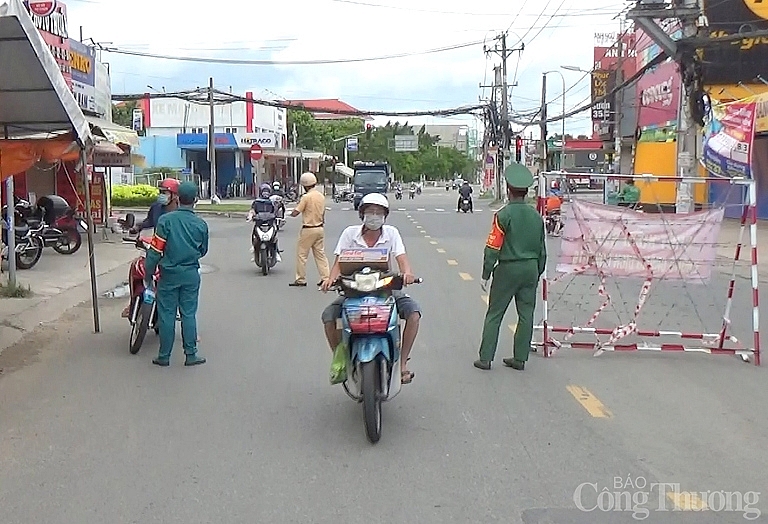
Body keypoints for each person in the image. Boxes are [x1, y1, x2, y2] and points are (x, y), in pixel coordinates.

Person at [320, 193, 420, 384]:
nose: (374, 216)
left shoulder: (391, 233)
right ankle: (341, 359)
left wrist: (407, 273)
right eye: (370, 211)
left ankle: (403, 363)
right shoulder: (350, 234)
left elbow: (402, 259)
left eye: (378, 212)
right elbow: (338, 264)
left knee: (414, 314)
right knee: (328, 317)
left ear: (385, 215)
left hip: (384, 289)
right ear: (362, 214)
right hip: (353, 290)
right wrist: (330, 280)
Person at [474, 163, 546, 371]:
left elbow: (492, 248)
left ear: (508, 189)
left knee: (495, 313)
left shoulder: (503, 216)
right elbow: (542, 251)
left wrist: (486, 274)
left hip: (507, 270)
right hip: (530, 269)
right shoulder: (537, 217)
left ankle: (486, 358)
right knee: (526, 314)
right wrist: (536, 271)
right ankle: (520, 358)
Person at [143, 181, 209, 367]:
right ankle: (191, 354)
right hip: (190, 274)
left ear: (178, 198)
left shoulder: (166, 221)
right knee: (188, 314)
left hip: (169, 274)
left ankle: (164, 356)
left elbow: (155, 251)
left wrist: (149, 273)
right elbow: (203, 250)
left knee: (167, 315)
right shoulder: (200, 224)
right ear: (195, 200)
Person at [122, 178, 181, 318]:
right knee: (137, 268)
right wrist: (137, 227)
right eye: (160, 192)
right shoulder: (156, 208)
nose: (162, 195)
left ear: (174, 195)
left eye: (165, 192)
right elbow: (150, 221)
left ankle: (180, 313)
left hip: (173, 254)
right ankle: (133, 301)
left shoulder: (180, 213)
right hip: (155, 249)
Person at [288, 172, 330, 287]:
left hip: (308, 229)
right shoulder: (321, 196)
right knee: (320, 254)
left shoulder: (306, 197)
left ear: (304, 185)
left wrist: (291, 213)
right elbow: (323, 212)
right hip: (319, 228)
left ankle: (301, 279)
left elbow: (297, 211)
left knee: (302, 255)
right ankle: (325, 277)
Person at [248, 184, 282, 263]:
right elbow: (252, 210)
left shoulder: (271, 202)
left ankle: (277, 252)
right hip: (259, 223)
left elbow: (276, 211)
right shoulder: (256, 202)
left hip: (269, 223)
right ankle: (254, 250)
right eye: (264, 191)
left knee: (274, 237)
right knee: (254, 235)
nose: (265, 193)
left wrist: (278, 216)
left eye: (267, 191)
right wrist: (250, 216)